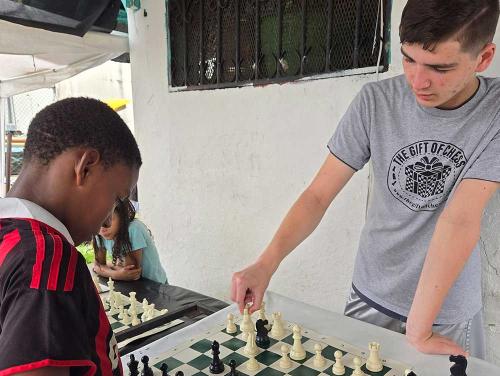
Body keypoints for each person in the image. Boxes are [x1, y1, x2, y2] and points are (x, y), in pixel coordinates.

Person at [231, 0, 500, 359]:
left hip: (446, 311)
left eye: (439, 67)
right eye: (408, 59)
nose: (418, 81)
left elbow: (461, 219)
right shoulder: (376, 101)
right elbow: (318, 195)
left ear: (483, 58)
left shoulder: (494, 111)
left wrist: (419, 329)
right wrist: (266, 263)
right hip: (372, 294)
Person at [0, 97, 142, 375]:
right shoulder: (43, 258)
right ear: (85, 167)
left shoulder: (11, 236)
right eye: (116, 199)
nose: (109, 216)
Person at [92, 198, 168, 284]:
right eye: (97, 221)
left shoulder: (134, 228)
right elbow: (98, 265)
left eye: (108, 220)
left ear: (121, 216)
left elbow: (132, 273)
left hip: (155, 287)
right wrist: (116, 274)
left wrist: (108, 270)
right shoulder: (99, 233)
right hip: (132, 286)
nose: (102, 229)